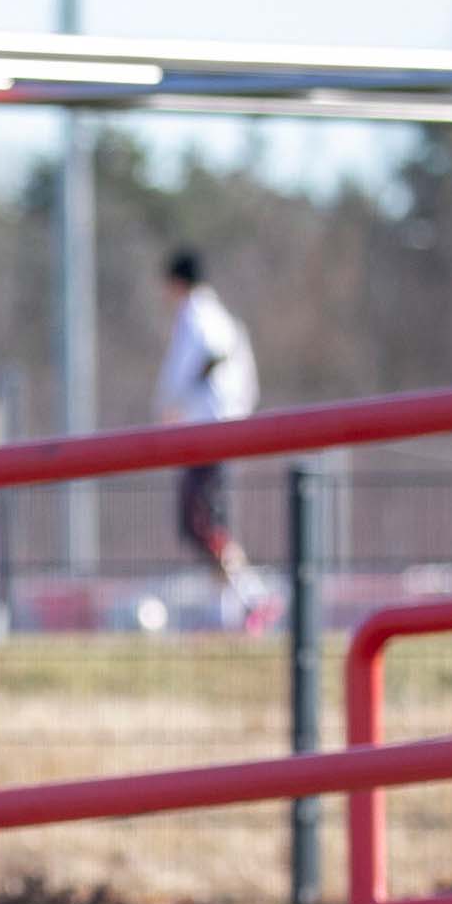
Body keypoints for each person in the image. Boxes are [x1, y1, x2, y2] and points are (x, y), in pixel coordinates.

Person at [153, 248, 274, 633]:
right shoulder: (223, 320)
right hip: (223, 428)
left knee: (198, 523)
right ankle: (230, 611)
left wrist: (168, 410)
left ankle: (254, 596)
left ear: (176, 282)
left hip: (205, 432)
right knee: (210, 521)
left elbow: (182, 373)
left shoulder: (195, 317)